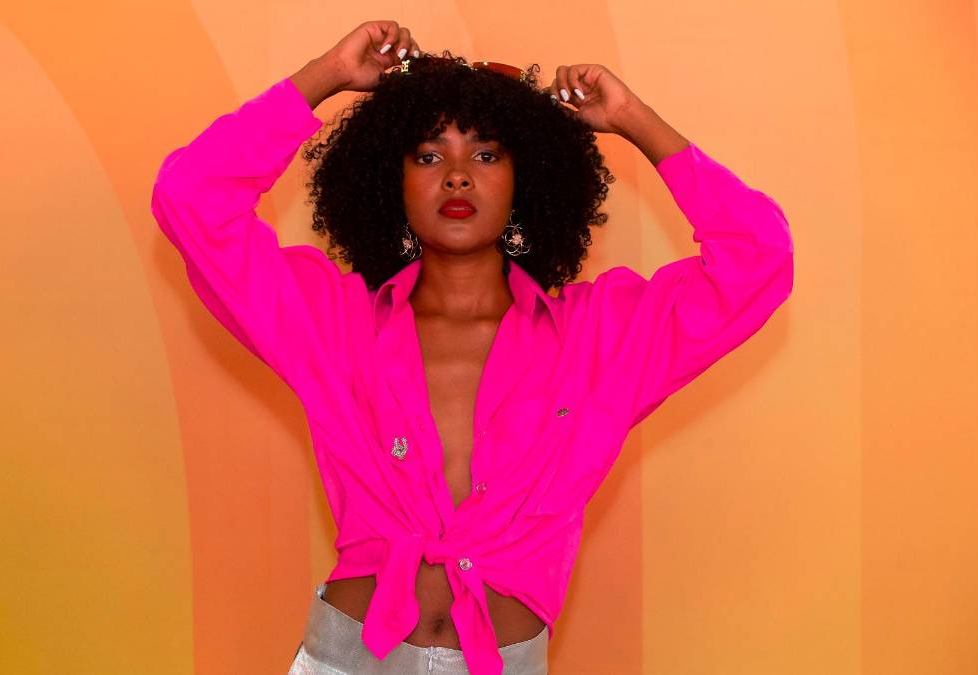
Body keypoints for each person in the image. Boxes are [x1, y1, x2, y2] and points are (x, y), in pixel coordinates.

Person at [150, 19, 794, 675]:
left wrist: (634, 119)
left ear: (526, 182)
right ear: (392, 183)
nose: (457, 175)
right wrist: (328, 75)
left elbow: (760, 258)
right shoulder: (330, 321)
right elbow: (190, 197)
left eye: (486, 155)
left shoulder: (602, 337)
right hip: (346, 659)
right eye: (429, 156)